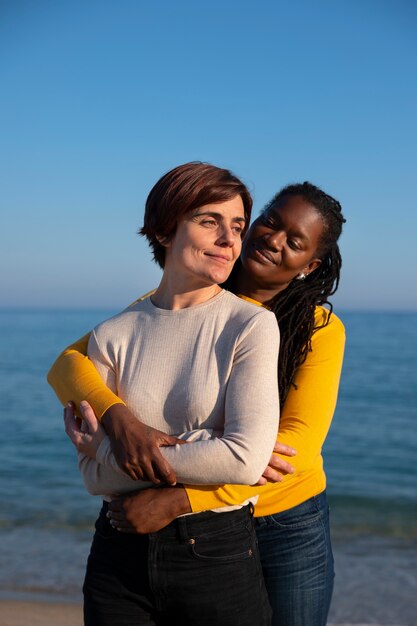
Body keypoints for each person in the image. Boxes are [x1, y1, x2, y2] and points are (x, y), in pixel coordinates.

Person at [49, 180, 346, 626]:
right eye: (269, 222)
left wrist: (182, 499)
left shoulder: (317, 327)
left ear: (311, 264)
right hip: (199, 532)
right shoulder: (186, 298)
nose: (273, 239)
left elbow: (290, 451)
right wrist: (119, 418)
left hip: (283, 520)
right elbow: (66, 367)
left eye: (295, 241)